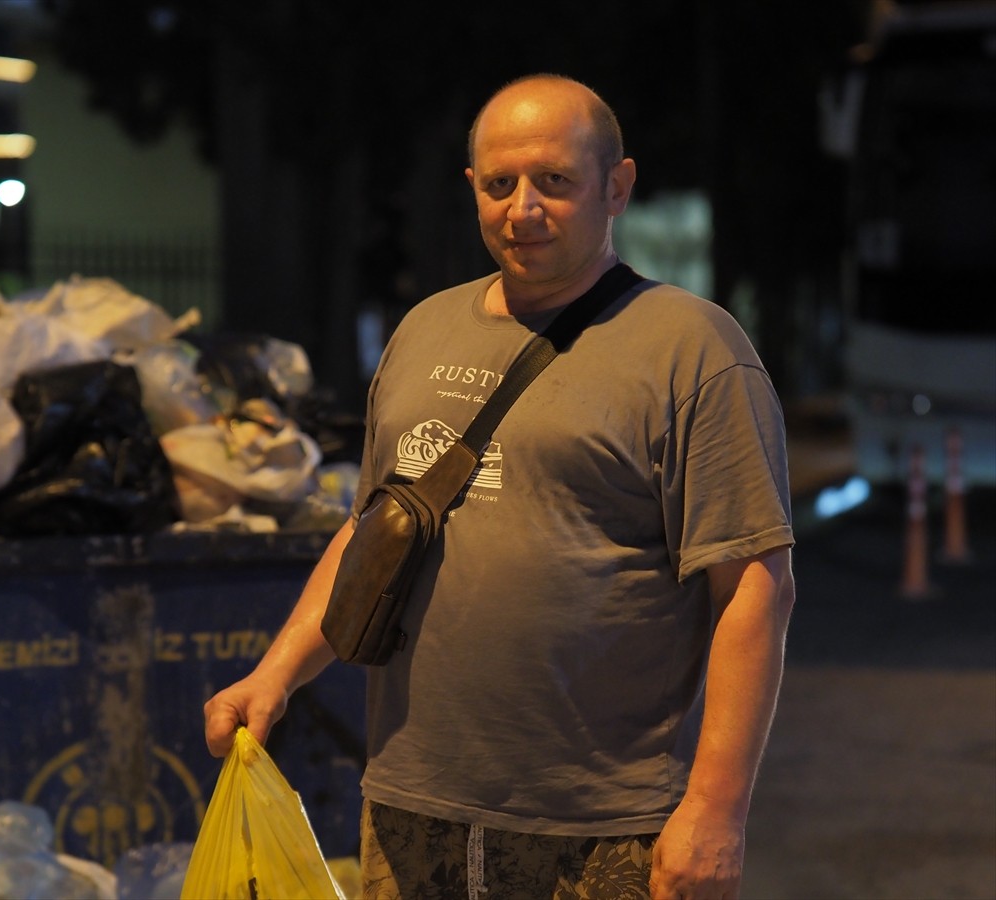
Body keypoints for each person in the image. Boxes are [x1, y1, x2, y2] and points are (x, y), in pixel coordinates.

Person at [204, 72, 796, 900]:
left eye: (555, 181)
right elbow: (372, 534)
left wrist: (717, 807)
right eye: (500, 184)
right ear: (472, 190)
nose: (523, 208)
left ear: (616, 187)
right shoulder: (423, 331)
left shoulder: (692, 351)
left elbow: (754, 589)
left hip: (604, 829)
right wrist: (275, 676)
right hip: (411, 810)